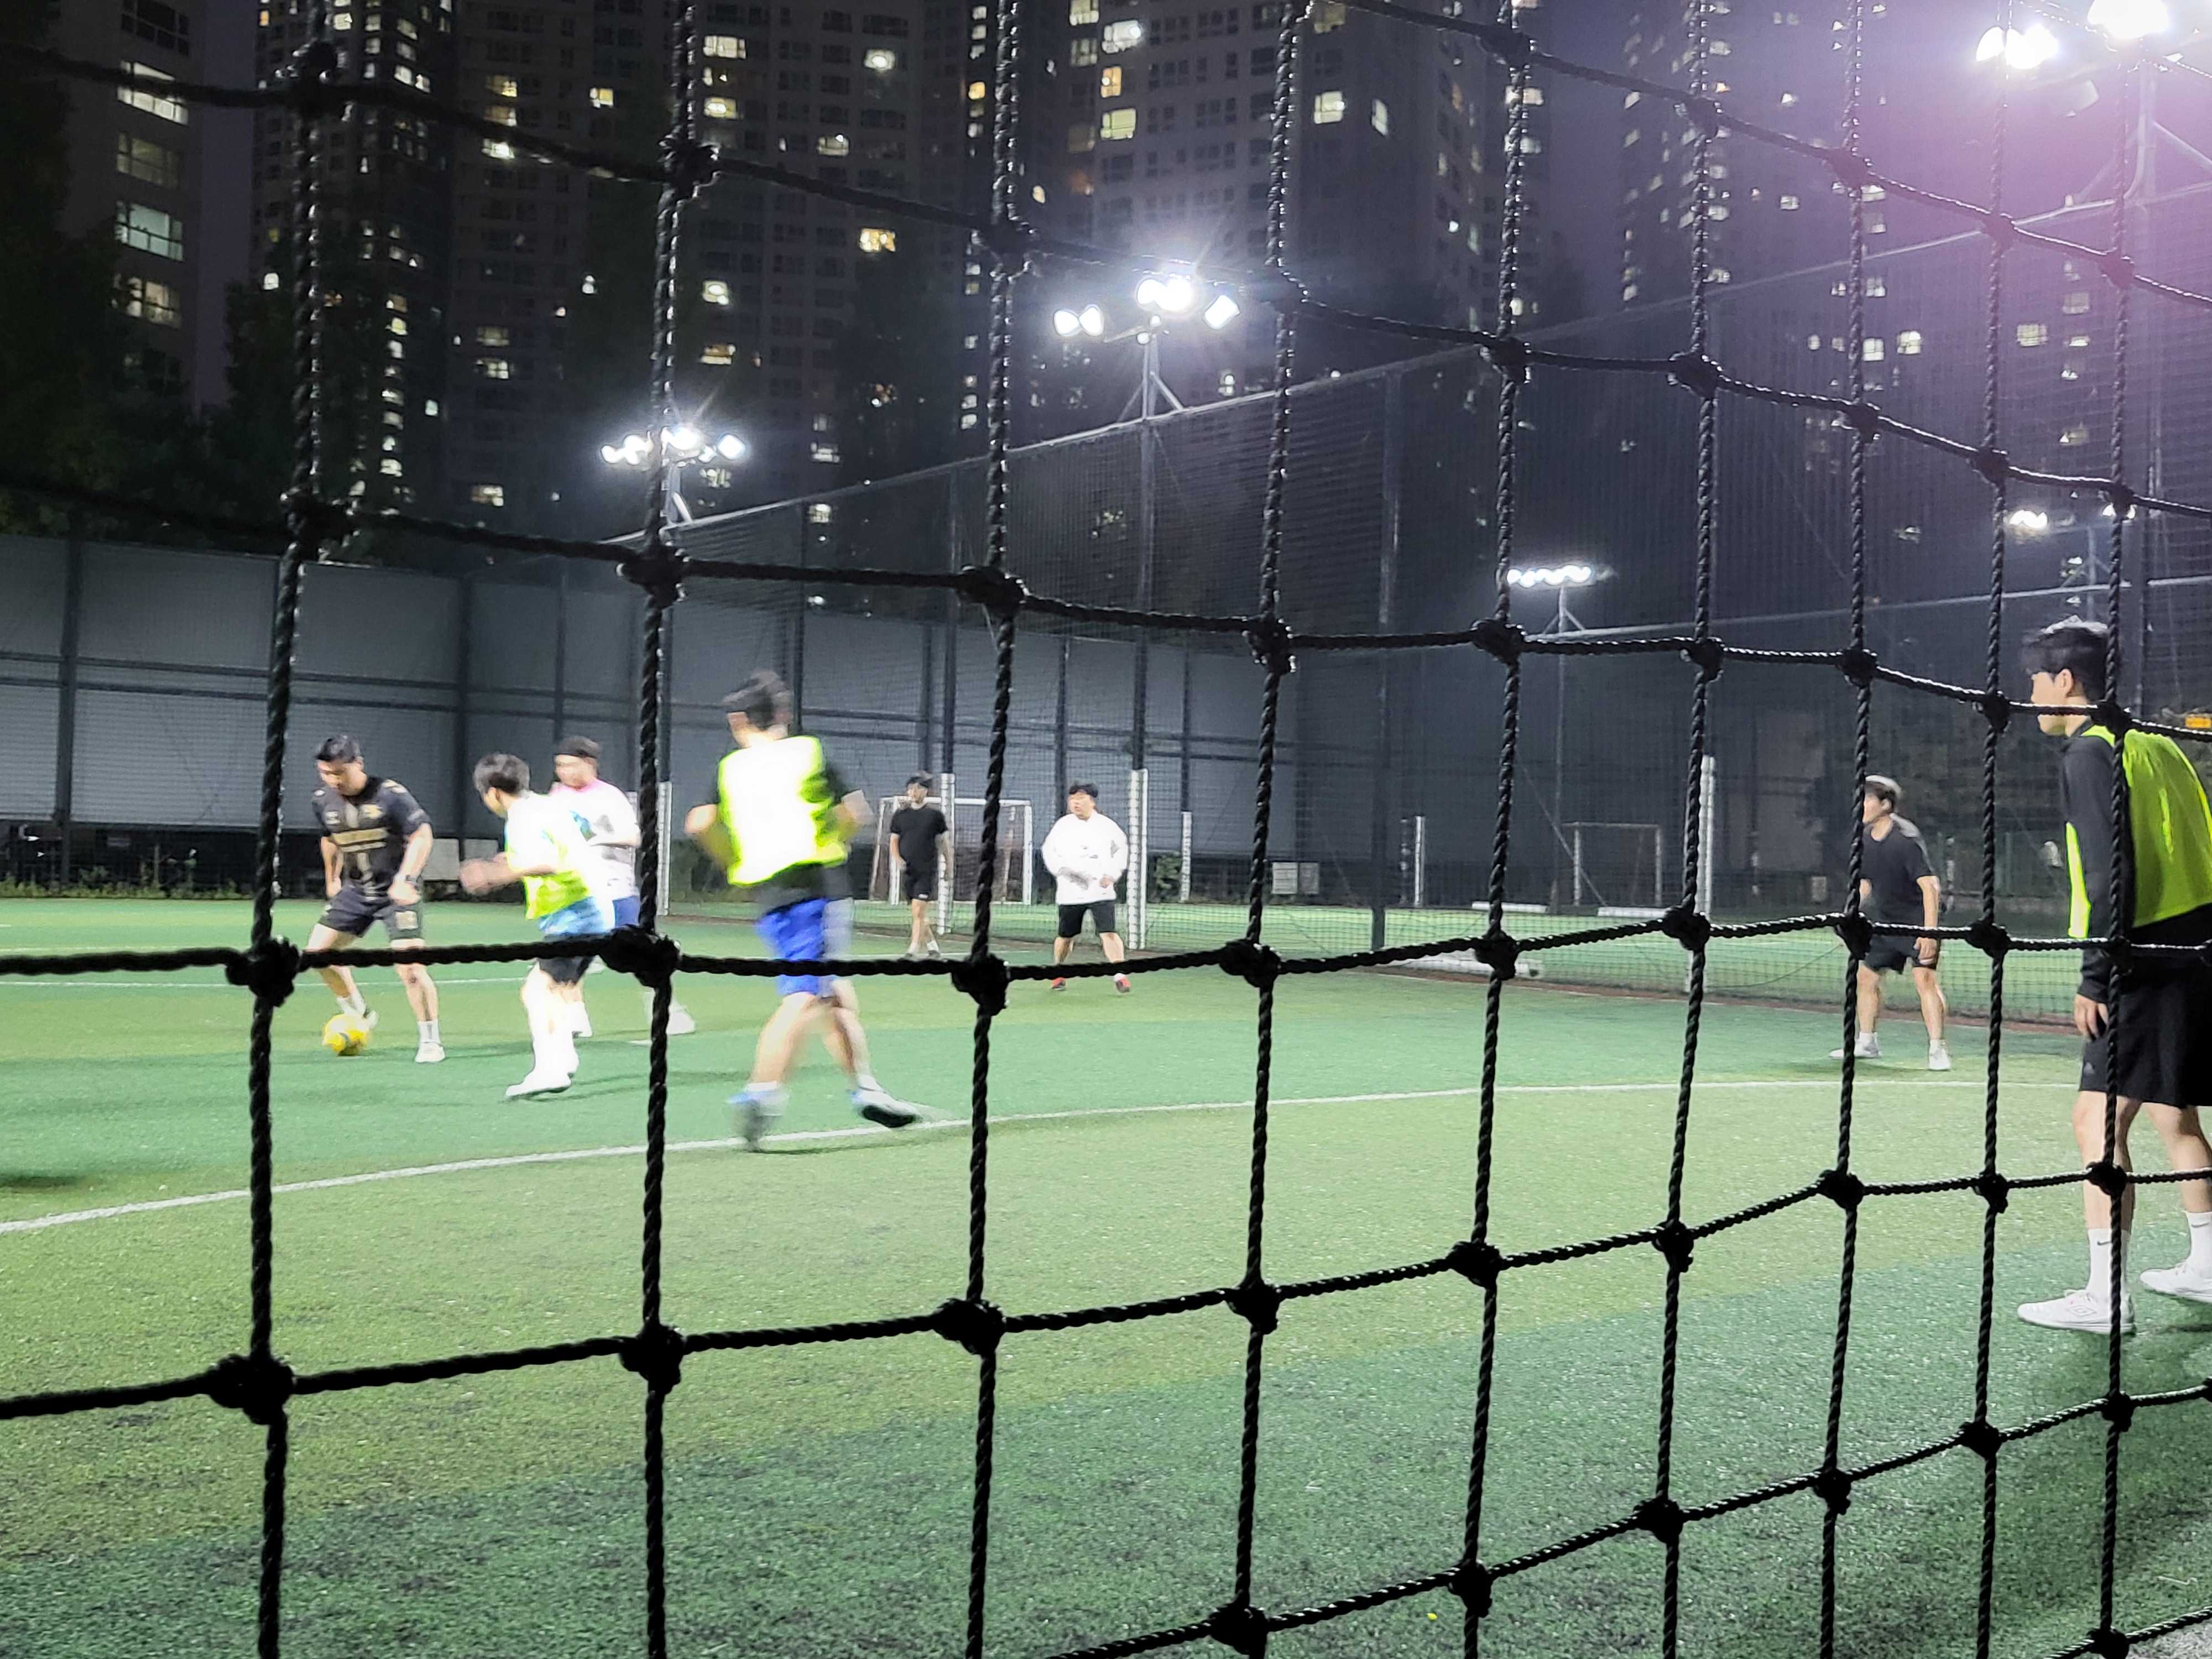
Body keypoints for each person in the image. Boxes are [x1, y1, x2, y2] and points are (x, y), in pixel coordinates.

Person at [2015, 618, 2212, 1334]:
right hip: (2194, 951)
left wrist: (2095, 976)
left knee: (2094, 1121)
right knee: (2171, 1113)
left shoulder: (2090, 752)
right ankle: (2208, 1267)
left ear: (2065, 681)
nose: (2030, 694)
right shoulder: (2159, 742)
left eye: (2035, 680)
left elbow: (2109, 873)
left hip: (2137, 963)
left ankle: (2106, 1298)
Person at [681, 670, 918, 1149]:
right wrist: (835, 839)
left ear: (738, 721)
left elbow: (700, 822)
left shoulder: (731, 768)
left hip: (769, 894)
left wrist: (732, 861)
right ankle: (761, 1091)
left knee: (833, 992)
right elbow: (855, 812)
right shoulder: (808, 752)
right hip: (816, 887)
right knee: (805, 994)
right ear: (783, 715)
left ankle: (866, 1088)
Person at [461, 753, 614, 1099]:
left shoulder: (521, 818)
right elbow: (579, 831)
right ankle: (564, 1059)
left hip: (574, 914)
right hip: (596, 910)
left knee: (536, 991)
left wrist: (497, 873)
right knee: (556, 991)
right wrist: (515, 859)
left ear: (492, 794)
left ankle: (550, 1070)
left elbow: (547, 861)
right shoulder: (547, 805)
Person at [306, 734, 444, 1063]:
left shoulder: (390, 795)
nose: (333, 780)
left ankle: (430, 1041)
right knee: (317, 955)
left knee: (410, 968)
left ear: (359, 765)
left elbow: (422, 835)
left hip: (396, 892)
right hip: (356, 891)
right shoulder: (322, 801)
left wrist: (406, 879)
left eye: (340, 772)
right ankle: (360, 1013)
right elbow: (329, 839)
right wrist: (332, 878)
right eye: (326, 773)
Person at [550, 735, 697, 1039]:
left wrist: (597, 839)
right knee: (568, 958)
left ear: (589, 764)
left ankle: (668, 1013)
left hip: (613, 889)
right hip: (575, 892)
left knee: (640, 955)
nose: (564, 771)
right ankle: (576, 1019)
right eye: (560, 765)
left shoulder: (609, 797)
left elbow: (634, 836)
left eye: (570, 765)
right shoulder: (556, 798)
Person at [1829, 775, 1950, 1071]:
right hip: (1885, 922)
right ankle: (1867, 1043)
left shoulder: (1906, 839)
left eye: (1868, 799)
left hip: (1917, 922)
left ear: (1885, 804)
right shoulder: (1863, 839)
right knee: (1866, 978)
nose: (1861, 805)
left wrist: (1929, 933)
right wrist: (1849, 912)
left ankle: (1937, 1049)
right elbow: (1867, 883)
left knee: (1925, 981)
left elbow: (1930, 887)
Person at [1042, 782, 1130, 994]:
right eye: (1072, 799)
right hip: (1070, 893)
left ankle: (1120, 975)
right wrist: (1063, 871)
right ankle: (1059, 971)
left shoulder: (1107, 826)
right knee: (1066, 937)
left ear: (1092, 802)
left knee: (1108, 933)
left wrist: (1112, 874)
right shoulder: (1063, 826)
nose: (1076, 804)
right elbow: (1049, 851)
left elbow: (1121, 850)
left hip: (1101, 891)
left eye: (1080, 799)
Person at [887, 772, 951, 959]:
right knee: (918, 914)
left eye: (919, 788)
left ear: (926, 791)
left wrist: (949, 866)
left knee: (918, 911)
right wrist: (898, 859)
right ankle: (933, 948)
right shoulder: (900, 816)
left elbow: (944, 843)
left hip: (926, 871)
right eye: (911, 788)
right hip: (909, 871)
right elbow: (893, 841)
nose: (914, 792)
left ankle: (912, 950)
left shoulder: (935, 816)